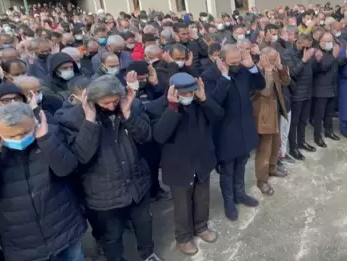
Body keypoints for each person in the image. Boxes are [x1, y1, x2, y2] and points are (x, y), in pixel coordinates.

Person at [58, 75, 162, 261]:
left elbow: (145, 137)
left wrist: (128, 113)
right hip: (103, 191)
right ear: (91, 100)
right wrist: (90, 122)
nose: (112, 107)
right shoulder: (72, 119)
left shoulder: (132, 106)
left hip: (137, 182)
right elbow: (81, 156)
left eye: (115, 101)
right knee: (112, 235)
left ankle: (148, 254)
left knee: (144, 223)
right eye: (105, 103)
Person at [0, 103, 87, 261]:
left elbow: (66, 169)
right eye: (11, 136)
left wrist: (46, 139)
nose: (19, 139)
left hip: (64, 228)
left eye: (24, 133)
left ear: (36, 123)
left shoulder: (51, 134)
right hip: (22, 242)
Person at [146, 74, 222, 256]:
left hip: (202, 160)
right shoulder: (157, 107)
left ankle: (201, 227)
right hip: (178, 164)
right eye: (184, 93)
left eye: (191, 92)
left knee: (202, 197)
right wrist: (172, 107)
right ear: (173, 90)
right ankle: (183, 238)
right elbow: (160, 135)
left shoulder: (199, 102)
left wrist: (204, 99)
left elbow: (218, 116)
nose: (188, 96)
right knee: (182, 205)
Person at [201, 44, 265, 221]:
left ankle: (240, 193)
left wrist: (252, 66)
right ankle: (229, 201)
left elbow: (260, 85)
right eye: (232, 62)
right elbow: (213, 103)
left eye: (238, 61)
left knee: (242, 163)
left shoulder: (242, 70)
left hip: (244, 126)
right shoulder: (209, 76)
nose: (237, 65)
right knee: (227, 169)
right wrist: (224, 77)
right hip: (225, 130)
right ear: (220, 60)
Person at [251, 47, 290, 196]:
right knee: (264, 148)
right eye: (271, 59)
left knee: (276, 143)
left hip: (275, 111)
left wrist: (279, 67)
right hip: (263, 115)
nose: (274, 62)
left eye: (275, 59)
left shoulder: (274, 68)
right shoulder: (256, 72)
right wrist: (268, 70)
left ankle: (272, 168)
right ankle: (261, 179)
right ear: (263, 58)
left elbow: (286, 81)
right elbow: (266, 92)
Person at [281, 34, 316, 160]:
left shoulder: (307, 53)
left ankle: (301, 142)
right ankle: (293, 147)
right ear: (299, 43)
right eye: (305, 47)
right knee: (294, 123)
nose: (307, 49)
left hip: (307, 92)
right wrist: (304, 60)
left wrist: (316, 59)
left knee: (303, 120)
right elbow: (293, 74)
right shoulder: (287, 54)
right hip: (296, 94)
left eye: (309, 46)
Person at [311, 32, 341, 146]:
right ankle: (317, 136)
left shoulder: (331, 52)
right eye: (327, 41)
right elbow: (321, 67)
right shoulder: (317, 52)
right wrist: (333, 56)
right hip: (321, 89)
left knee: (329, 113)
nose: (329, 44)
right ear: (320, 41)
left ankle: (329, 132)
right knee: (319, 115)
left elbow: (336, 65)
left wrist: (346, 58)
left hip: (332, 87)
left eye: (331, 41)